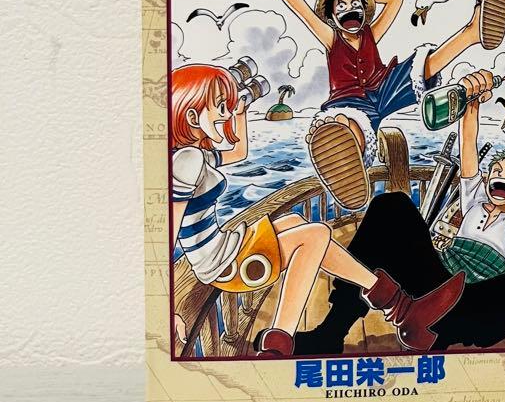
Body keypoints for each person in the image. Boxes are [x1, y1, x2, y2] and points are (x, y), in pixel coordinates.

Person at [170, 63, 465, 358]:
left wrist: (241, 110)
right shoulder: (187, 160)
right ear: (192, 116)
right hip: (222, 262)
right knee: (315, 235)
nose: (225, 114)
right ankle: (277, 345)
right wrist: (168, 307)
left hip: (227, 246)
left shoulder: (195, 155)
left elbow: (238, 153)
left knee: (296, 221)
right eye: (220, 107)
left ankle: (402, 309)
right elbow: (169, 229)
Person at [295, 69, 505, 355]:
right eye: (496, 170)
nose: (501, 174)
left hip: (473, 300)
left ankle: (439, 330)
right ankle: (332, 331)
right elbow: (468, 141)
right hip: (433, 283)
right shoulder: (474, 199)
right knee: (392, 205)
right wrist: (472, 100)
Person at [256, 0, 505, 211]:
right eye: (341, 7)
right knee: (350, 124)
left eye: (355, 6)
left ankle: (472, 32)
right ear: (331, 18)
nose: (349, 10)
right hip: (351, 100)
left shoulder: (370, 33)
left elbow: (396, 0)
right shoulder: (332, 38)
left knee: (420, 67)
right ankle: (343, 156)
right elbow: (302, 11)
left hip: (384, 88)